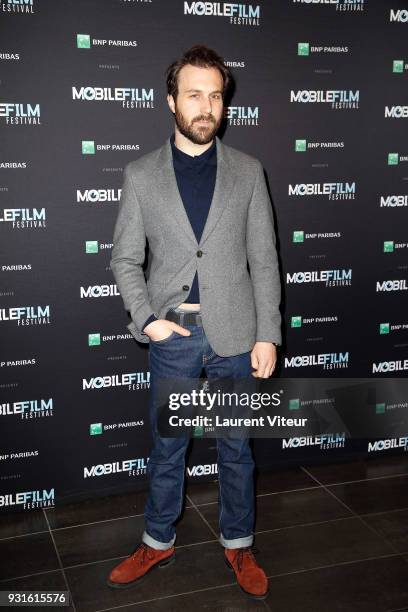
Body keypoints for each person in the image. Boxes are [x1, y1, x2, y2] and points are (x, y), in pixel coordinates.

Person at [107, 44, 282, 601]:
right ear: (170, 102)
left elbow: (265, 258)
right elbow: (124, 259)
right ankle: (156, 542)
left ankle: (238, 542)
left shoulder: (250, 173)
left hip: (235, 332)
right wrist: (148, 321)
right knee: (168, 448)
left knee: (236, 447)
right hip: (175, 333)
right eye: (194, 95)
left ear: (223, 103)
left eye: (215, 96)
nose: (206, 107)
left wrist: (268, 332)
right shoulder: (140, 176)